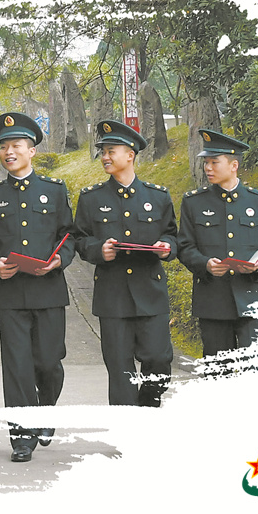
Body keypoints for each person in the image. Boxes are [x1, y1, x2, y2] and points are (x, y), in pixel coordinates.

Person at [0, 112, 75, 463]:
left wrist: (59, 260)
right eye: (4, 146)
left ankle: (46, 410)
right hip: (11, 293)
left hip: (49, 290)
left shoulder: (54, 190)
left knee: (49, 362)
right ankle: (21, 436)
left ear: (32, 150)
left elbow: (69, 235)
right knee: (17, 366)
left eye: (16, 145)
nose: (9, 152)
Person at [74, 120, 178, 408]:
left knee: (158, 360)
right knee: (120, 372)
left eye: (111, 151)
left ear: (130, 155)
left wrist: (166, 247)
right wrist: (98, 250)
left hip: (150, 293)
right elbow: (79, 239)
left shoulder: (157, 196)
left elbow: (172, 234)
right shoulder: (91, 198)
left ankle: (147, 404)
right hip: (113, 295)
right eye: (103, 152)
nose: (105, 157)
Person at [176, 129, 258, 369]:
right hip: (213, 301)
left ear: (234, 165)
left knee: (252, 371)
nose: (208, 168)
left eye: (214, 162)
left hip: (252, 299)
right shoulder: (194, 202)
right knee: (218, 373)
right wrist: (205, 264)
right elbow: (184, 246)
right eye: (206, 162)